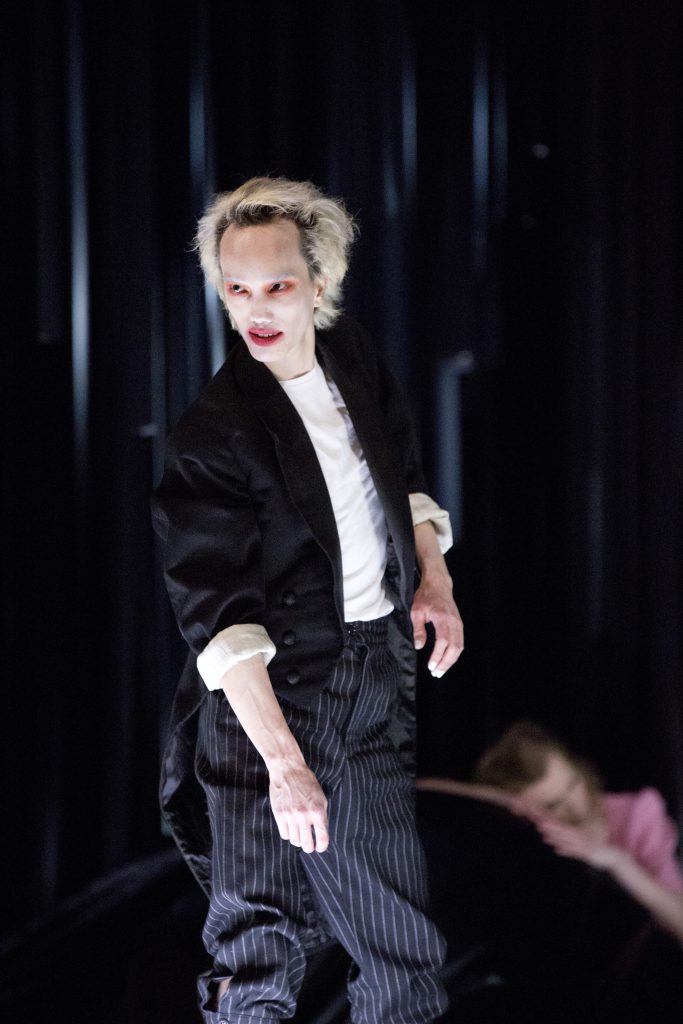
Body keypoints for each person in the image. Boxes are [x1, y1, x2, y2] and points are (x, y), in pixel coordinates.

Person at [152, 176, 464, 1024]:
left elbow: (402, 478)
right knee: (256, 951)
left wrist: (432, 580)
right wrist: (284, 767)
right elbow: (218, 617)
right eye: (237, 288)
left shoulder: (350, 359)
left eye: (277, 285)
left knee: (396, 948)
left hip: (367, 674)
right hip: (266, 703)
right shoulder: (213, 433)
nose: (255, 309)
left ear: (319, 283)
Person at [418, 720, 683, 942]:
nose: (576, 804)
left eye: (573, 783)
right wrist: (499, 799)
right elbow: (421, 787)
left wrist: (618, 862)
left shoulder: (636, 813)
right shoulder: (529, 839)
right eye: (554, 804)